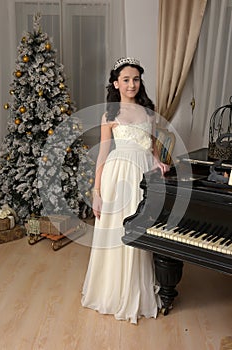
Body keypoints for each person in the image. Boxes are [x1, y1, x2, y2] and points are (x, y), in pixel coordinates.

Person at [81, 57, 169, 324]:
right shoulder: (110, 113)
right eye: (127, 79)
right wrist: (96, 191)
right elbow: (103, 153)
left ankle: (137, 288)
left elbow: (150, 143)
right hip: (119, 173)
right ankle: (114, 290)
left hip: (144, 172)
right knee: (121, 229)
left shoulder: (148, 111)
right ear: (116, 83)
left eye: (136, 79)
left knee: (142, 229)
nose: (132, 84)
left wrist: (157, 160)